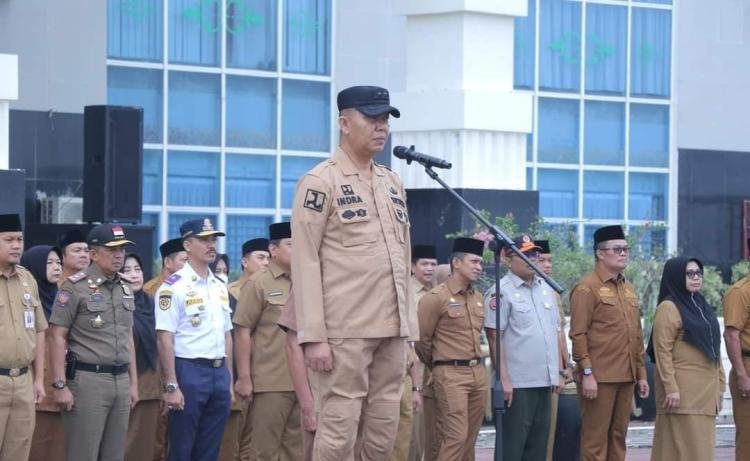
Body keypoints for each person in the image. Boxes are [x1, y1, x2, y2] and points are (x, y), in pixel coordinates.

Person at [291, 85, 415, 459]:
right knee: (338, 431)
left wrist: (408, 329)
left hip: (391, 328)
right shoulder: (320, 182)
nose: (381, 127)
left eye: (385, 120)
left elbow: (403, 255)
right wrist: (314, 335)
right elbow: (305, 261)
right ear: (344, 123)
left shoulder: (392, 183)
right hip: (344, 329)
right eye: (372, 118)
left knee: (383, 432)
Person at [49, 223, 139, 461]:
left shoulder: (126, 288)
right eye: (112, 250)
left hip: (120, 379)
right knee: (83, 454)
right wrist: (59, 384)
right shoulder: (75, 287)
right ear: (94, 253)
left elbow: (128, 336)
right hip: (89, 380)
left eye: (122, 249)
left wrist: (133, 383)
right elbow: (57, 335)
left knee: (114, 455)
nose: (119, 255)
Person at [155, 218, 233, 461]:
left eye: (213, 239)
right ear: (187, 246)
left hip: (218, 372)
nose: (212, 245)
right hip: (189, 370)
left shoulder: (219, 284)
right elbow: (164, 338)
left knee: (210, 449)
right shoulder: (173, 287)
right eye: (204, 240)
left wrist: (228, 379)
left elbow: (226, 333)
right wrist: (171, 385)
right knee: (182, 448)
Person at [569, 225, 649, 461]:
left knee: (618, 437)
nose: (623, 253)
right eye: (617, 249)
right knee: (595, 440)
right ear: (600, 253)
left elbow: (636, 335)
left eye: (626, 249)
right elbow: (578, 334)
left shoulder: (629, 289)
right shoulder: (587, 288)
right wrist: (587, 373)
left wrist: (642, 374)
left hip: (626, 376)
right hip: (600, 378)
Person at [484, 235, 563, 461]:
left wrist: (556, 372)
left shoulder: (546, 289)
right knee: (512, 447)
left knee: (538, 447)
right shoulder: (501, 291)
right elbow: (493, 336)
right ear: (508, 260)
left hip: (544, 381)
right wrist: (504, 379)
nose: (533, 259)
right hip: (517, 385)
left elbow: (551, 332)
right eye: (526, 255)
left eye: (535, 255)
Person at [416, 237, 488, 461]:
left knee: (470, 439)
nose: (479, 267)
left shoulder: (477, 297)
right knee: (454, 436)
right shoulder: (435, 298)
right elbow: (422, 341)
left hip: (478, 372)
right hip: (450, 373)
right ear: (456, 263)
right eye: (474, 261)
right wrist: (440, 365)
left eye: (481, 263)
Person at [234, 222, 301, 459]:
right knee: (264, 450)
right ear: (273, 249)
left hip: (304, 381)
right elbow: (242, 331)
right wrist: (244, 378)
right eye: (291, 244)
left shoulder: (307, 281)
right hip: (271, 381)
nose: (299, 248)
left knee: (297, 450)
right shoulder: (258, 283)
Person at [648, 257, 724, 461]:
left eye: (699, 272)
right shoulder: (669, 307)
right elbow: (662, 351)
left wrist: (720, 386)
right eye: (689, 273)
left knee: (701, 452)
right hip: (681, 395)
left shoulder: (701, 306)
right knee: (679, 452)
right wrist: (670, 388)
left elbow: (714, 348)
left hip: (705, 395)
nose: (696, 277)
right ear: (676, 276)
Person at [0, 215, 47, 461]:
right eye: (9, 240)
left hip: (23, 382)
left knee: (18, 453)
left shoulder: (28, 279)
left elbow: (39, 330)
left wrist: (39, 379)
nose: (17, 245)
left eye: (19, 239)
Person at [22, 245, 67, 461]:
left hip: (63, 383)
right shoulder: (26, 298)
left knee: (59, 446)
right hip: (34, 385)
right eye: (49, 263)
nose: (56, 267)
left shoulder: (62, 298)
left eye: (58, 262)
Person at [143, 237, 186, 461]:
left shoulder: (192, 287)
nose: (187, 266)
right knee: (158, 431)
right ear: (168, 262)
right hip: (159, 369)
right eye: (183, 260)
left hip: (187, 366)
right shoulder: (150, 291)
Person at [392, 244, 435, 461]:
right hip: (409, 369)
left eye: (433, 264)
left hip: (431, 370)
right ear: (412, 266)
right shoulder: (405, 291)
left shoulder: (437, 292)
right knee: (409, 434)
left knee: (428, 432)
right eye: (424, 264)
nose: (429, 269)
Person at [230, 238, 269, 460]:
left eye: (268, 258)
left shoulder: (273, 288)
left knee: (256, 439)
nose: (266, 263)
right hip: (237, 372)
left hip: (265, 372)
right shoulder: (230, 292)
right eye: (260, 257)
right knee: (234, 433)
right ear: (245, 261)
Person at [536, 239, 575, 461]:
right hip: (526, 372)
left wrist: (565, 365)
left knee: (548, 432)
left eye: (549, 260)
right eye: (542, 260)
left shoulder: (553, 292)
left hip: (552, 371)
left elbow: (559, 332)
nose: (547, 265)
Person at [122, 253, 161, 461]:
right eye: (127, 270)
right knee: (125, 445)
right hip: (126, 385)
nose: (134, 275)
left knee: (147, 445)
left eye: (137, 269)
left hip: (152, 386)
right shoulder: (116, 303)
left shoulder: (152, 303)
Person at [722, 253, 750, 460]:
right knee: (748, 434)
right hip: (747, 366)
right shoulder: (740, 292)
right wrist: (741, 375)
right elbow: (731, 335)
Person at [228, 238, 270, 308]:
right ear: (245, 262)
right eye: (261, 258)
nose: (266, 262)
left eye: (269, 259)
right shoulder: (228, 291)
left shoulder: (273, 291)